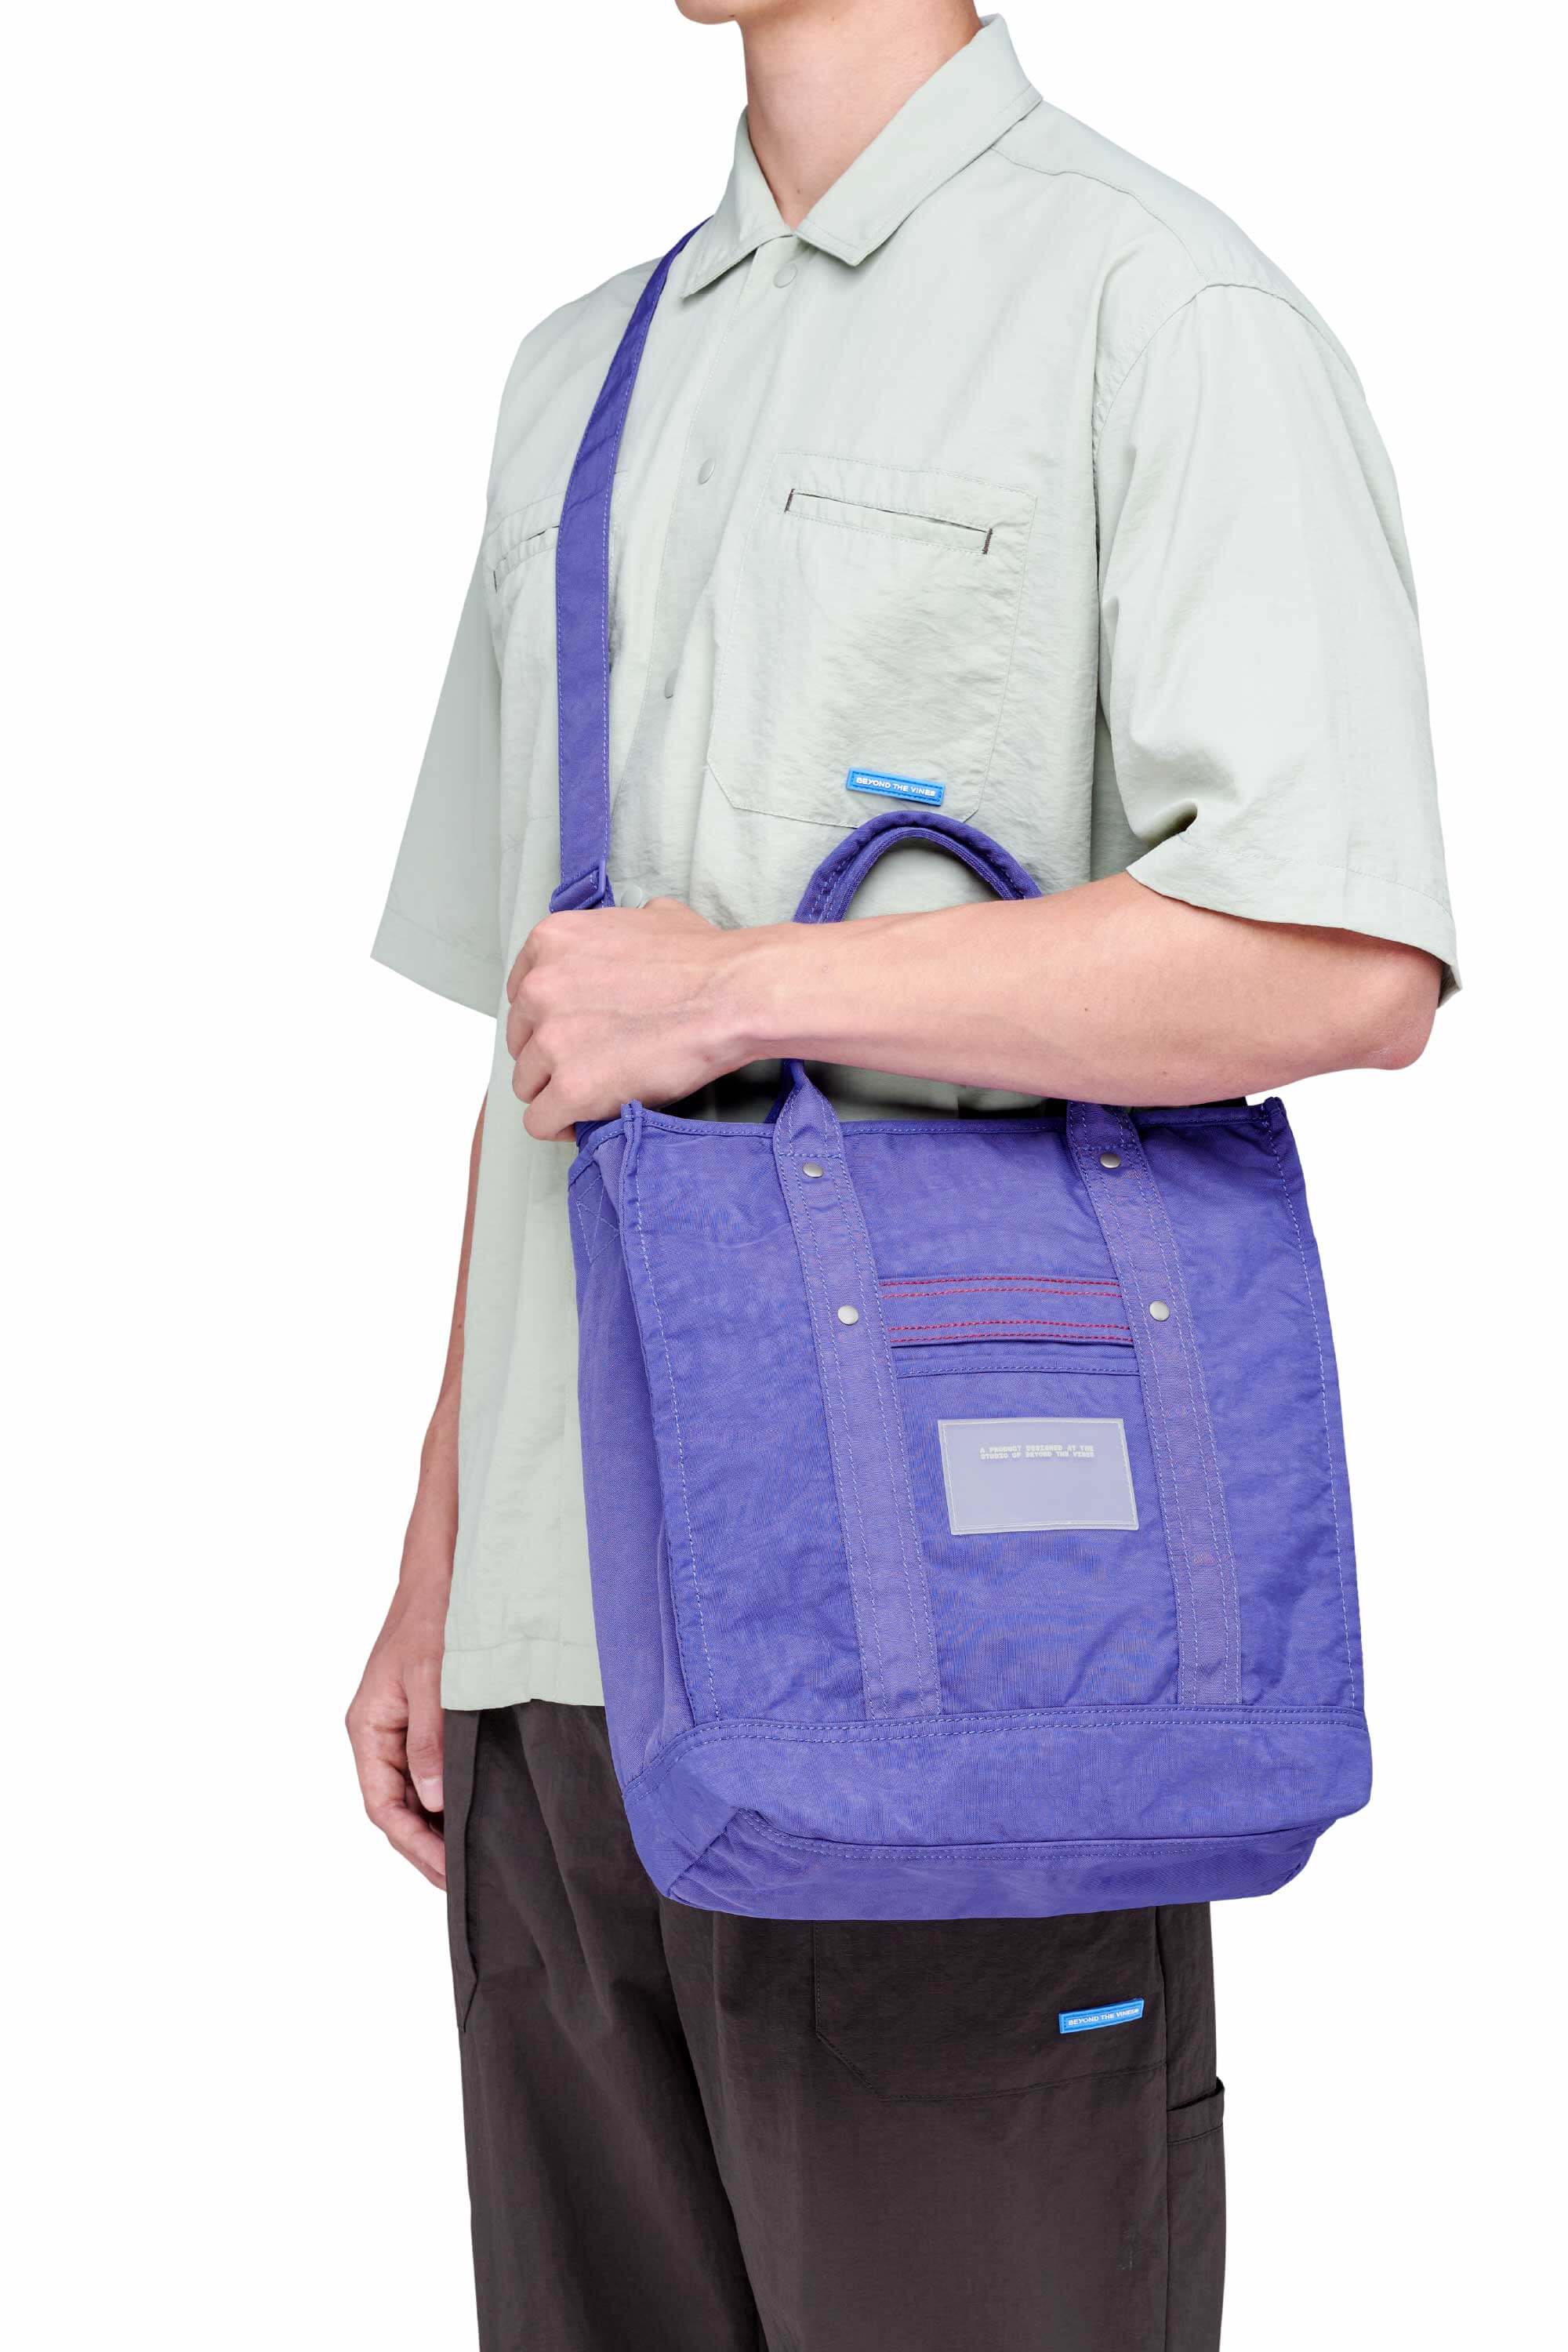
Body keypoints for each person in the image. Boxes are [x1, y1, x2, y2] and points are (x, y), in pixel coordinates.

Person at [348, 5, 1454, 2345]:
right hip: (569, 1667)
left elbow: (1345, 960)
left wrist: (753, 989)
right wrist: (446, 1566)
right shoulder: (577, 377)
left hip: (958, 1654)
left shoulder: (1158, 310)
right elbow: (544, 1040)